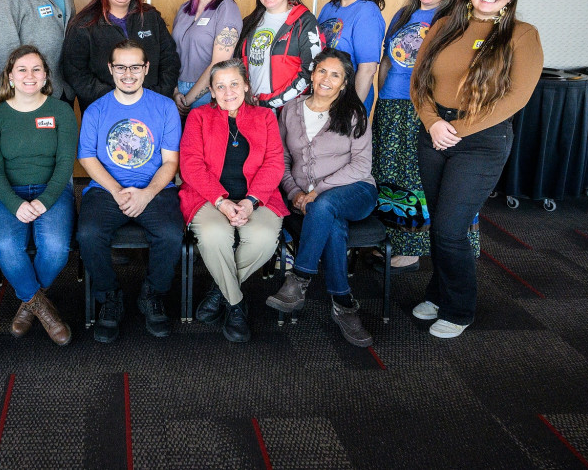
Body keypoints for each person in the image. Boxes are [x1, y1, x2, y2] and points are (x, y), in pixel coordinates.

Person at [410, 0, 543, 338]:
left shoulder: (522, 34)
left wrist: (457, 128)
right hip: (435, 133)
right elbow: (419, 82)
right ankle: (438, 293)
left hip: (482, 139)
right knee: (440, 224)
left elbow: (517, 96)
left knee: (452, 227)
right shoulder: (445, 27)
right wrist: (434, 122)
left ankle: (459, 308)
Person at [372, 0, 479, 273]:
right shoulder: (405, 14)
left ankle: (415, 251)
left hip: (427, 111)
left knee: (419, 178)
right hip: (393, 107)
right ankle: (397, 241)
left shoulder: (457, 19)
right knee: (391, 176)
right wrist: (383, 100)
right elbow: (387, 61)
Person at [266, 48, 377, 348]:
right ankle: (344, 304)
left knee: (324, 205)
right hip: (306, 199)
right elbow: (282, 160)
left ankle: (299, 279)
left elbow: (361, 165)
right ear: (312, 74)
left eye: (336, 75)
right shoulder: (290, 110)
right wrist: (294, 192)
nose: (327, 79)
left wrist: (316, 191)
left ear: (344, 83)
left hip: (357, 191)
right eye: (322, 72)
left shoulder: (354, 113)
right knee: (332, 224)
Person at [76, 40, 184, 343]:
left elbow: (171, 162)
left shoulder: (164, 107)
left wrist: (147, 193)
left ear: (146, 69)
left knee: (171, 234)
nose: (128, 73)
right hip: (106, 190)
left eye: (135, 67)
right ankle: (110, 295)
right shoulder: (96, 110)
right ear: (110, 69)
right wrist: (117, 190)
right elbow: (86, 157)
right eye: (121, 67)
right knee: (88, 234)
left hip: (155, 189)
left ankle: (152, 292)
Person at [179, 60, 288, 342]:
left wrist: (251, 201)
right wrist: (222, 202)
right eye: (221, 86)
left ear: (246, 86)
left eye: (235, 84)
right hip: (208, 197)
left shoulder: (265, 117)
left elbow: (275, 164)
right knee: (215, 234)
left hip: (258, 197)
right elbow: (191, 165)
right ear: (212, 92)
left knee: (264, 238)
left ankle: (220, 292)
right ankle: (237, 305)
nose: (228, 92)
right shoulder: (199, 117)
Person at [0, 45, 78, 345]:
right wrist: (14, 203)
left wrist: (43, 201)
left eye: (37, 69)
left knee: (56, 248)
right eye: (22, 69)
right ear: (10, 76)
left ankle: (27, 303)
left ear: (46, 75)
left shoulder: (60, 110)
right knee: (8, 247)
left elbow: (65, 164)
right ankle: (43, 310)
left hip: (53, 191)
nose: (29, 75)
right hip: (7, 193)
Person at [63, 0, 179, 110]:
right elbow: (74, 72)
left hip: (152, 107)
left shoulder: (150, 17)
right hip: (104, 109)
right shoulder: (83, 25)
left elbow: (170, 60)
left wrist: (156, 96)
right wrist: (115, 99)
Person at [237, 0, 324, 110]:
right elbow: (238, 64)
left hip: (288, 111)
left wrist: (270, 102)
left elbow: (310, 72)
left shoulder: (304, 22)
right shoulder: (249, 22)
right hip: (251, 107)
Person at [170, 0, 242, 113]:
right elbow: (171, 54)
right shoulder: (184, 9)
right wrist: (174, 91)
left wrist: (187, 100)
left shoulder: (227, 9)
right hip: (175, 91)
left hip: (206, 94)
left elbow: (219, 64)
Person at [317, 0, 386, 114]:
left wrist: (351, 111)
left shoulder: (367, 12)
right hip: (323, 93)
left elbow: (368, 69)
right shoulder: (329, 8)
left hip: (348, 100)